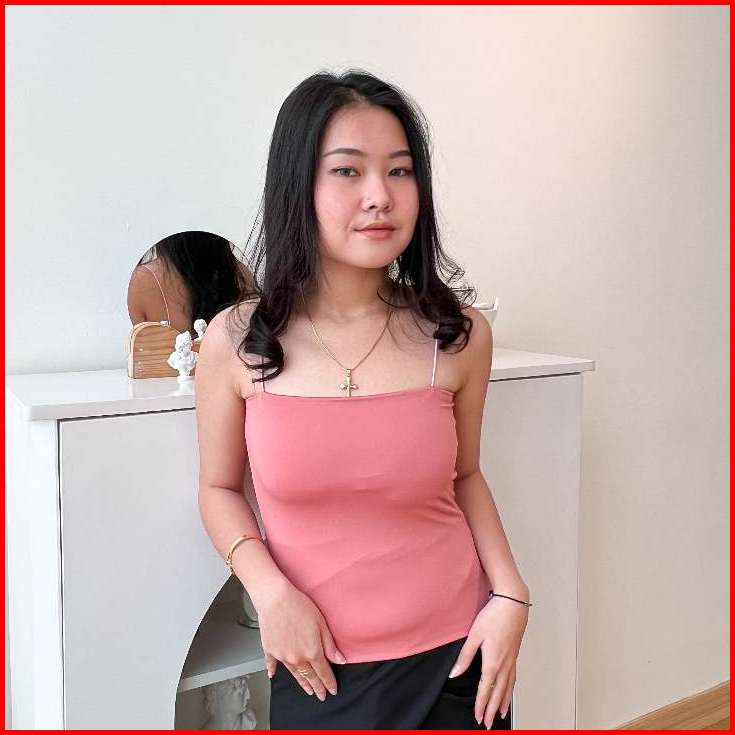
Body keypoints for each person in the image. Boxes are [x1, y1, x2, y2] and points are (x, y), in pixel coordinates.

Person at [195, 69, 531, 730]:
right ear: (298, 185)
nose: (380, 196)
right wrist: (269, 591)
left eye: (399, 171)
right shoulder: (236, 340)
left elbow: (464, 477)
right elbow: (218, 489)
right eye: (347, 171)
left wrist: (511, 594)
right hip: (315, 663)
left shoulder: (457, 336)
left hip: (458, 658)